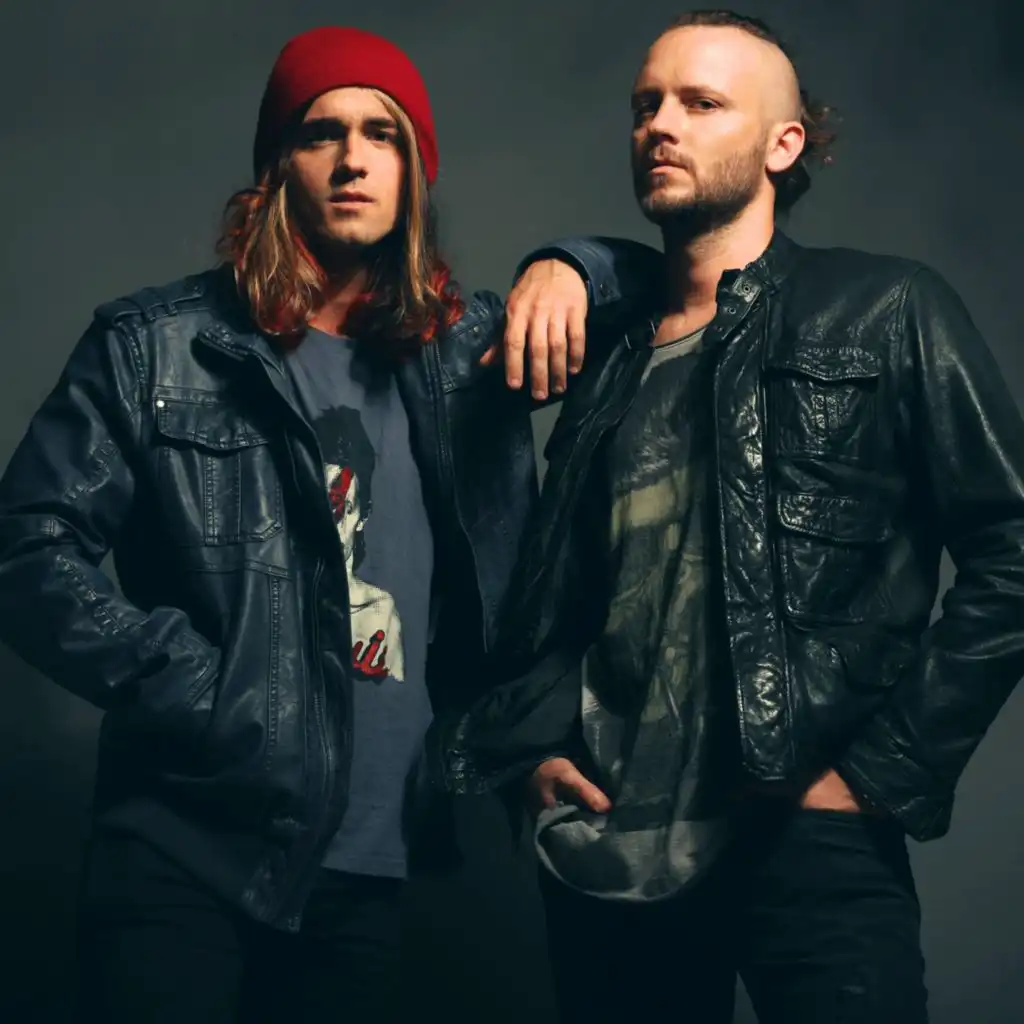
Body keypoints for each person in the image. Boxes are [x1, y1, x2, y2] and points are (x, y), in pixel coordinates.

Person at [0, 25, 655, 1024]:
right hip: (184, 848)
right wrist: (201, 689)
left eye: (383, 134)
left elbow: (658, 284)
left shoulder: (463, 359)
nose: (354, 158)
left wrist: (566, 266)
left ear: (414, 172)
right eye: (321, 132)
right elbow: (25, 547)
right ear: (277, 168)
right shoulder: (157, 347)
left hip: (371, 869)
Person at [437, 10, 1024, 1024]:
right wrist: (526, 753)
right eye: (645, 106)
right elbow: (554, 597)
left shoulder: (885, 308)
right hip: (608, 855)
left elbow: (1012, 545)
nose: (660, 126)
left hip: (806, 840)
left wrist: (884, 769)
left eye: (702, 103)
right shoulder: (606, 361)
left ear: (783, 144)